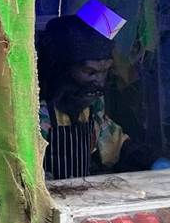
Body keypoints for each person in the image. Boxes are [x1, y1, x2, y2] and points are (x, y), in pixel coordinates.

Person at [38, 13, 157, 179]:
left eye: (105, 71)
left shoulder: (93, 107)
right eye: (90, 72)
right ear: (64, 70)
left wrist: (150, 161)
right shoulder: (38, 111)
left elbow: (114, 144)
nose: (100, 82)